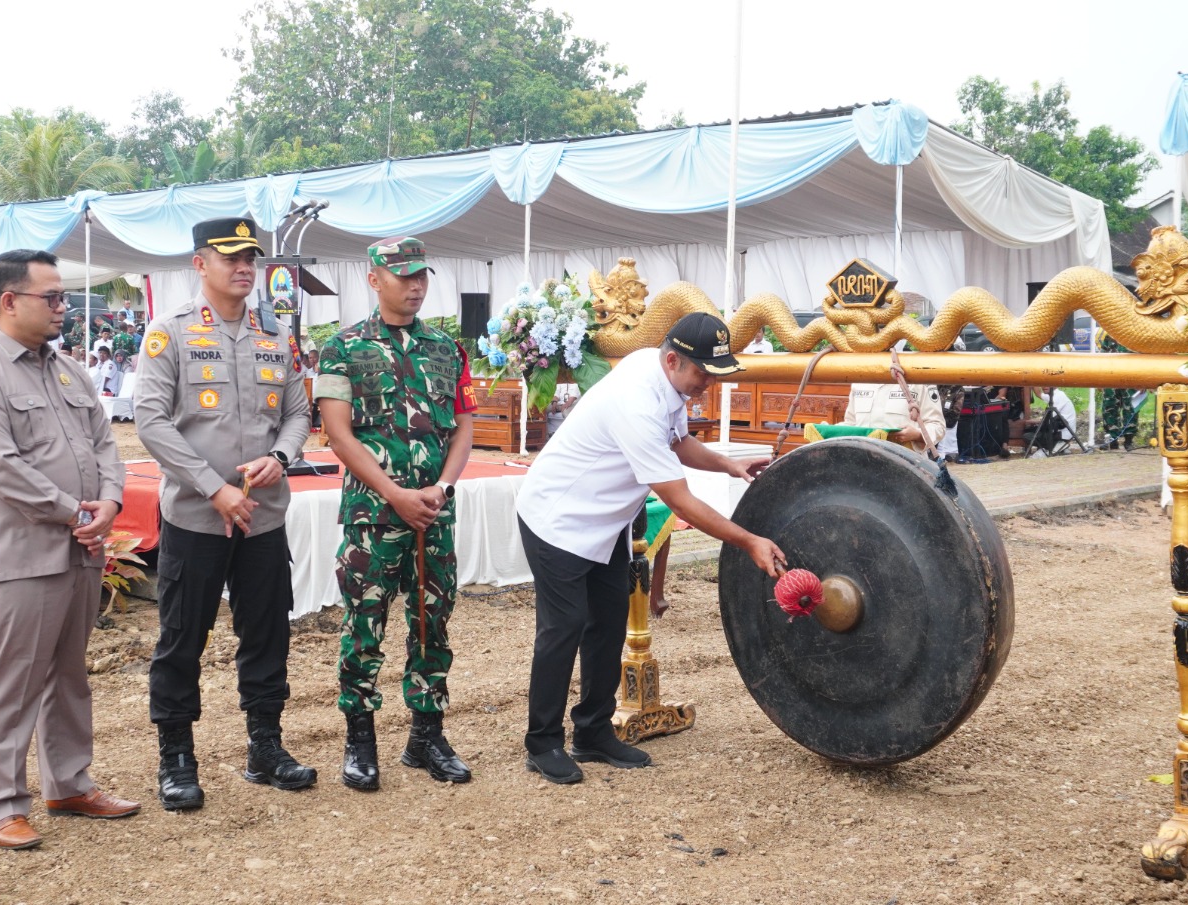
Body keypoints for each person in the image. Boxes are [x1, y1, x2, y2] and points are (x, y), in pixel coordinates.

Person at [515, 312, 787, 784]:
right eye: (703, 373)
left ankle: (593, 732)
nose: (707, 384)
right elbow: (678, 498)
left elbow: (679, 443)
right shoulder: (636, 400)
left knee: (608, 623)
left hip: (604, 523)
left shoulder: (665, 376)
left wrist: (730, 465)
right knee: (565, 627)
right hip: (558, 518)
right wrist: (747, 541)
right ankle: (542, 742)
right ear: (673, 359)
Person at [0, 249, 137, 850]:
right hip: (23, 556)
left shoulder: (70, 370)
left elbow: (105, 442)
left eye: (63, 297)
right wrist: (73, 511)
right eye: (51, 298)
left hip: (80, 549)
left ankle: (69, 783)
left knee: (69, 675)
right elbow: (1, 468)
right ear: (10, 301)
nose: (64, 308)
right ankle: (1, 804)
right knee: (12, 680)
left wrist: (109, 501)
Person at [134, 217, 317, 811]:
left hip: (262, 516)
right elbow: (152, 422)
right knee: (183, 637)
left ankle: (265, 745)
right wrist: (215, 488)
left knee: (266, 632)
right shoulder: (171, 334)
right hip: (196, 517)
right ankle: (177, 757)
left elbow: (297, 413)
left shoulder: (275, 336)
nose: (245, 267)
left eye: (252, 258)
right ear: (200, 264)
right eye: (231, 256)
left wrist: (281, 457)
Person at [314, 236, 478, 792]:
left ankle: (426, 735)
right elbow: (338, 434)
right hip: (373, 516)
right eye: (402, 276)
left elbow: (463, 426)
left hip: (433, 513)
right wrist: (395, 494)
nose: (414, 286)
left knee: (433, 622)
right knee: (365, 625)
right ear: (374, 278)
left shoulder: (447, 349)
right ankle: (360, 738)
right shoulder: (342, 348)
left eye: (421, 276)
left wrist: (442, 486)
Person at [841, 366, 947, 454]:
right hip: (862, 461)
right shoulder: (860, 381)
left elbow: (938, 425)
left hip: (905, 464)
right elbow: (851, 424)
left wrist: (918, 435)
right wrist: (826, 430)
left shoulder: (918, 380)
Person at [1022, 387, 1078, 456]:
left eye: (1048, 383)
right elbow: (1039, 394)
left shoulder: (1058, 397)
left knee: (1027, 436)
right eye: (1043, 384)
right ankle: (1056, 447)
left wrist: (1033, 422)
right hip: (1058, 429)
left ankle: (1057, 445)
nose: (1044, 386)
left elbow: (1049, 420)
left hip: (1062, 433)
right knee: (1030, 430)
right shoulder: (1053, 395)